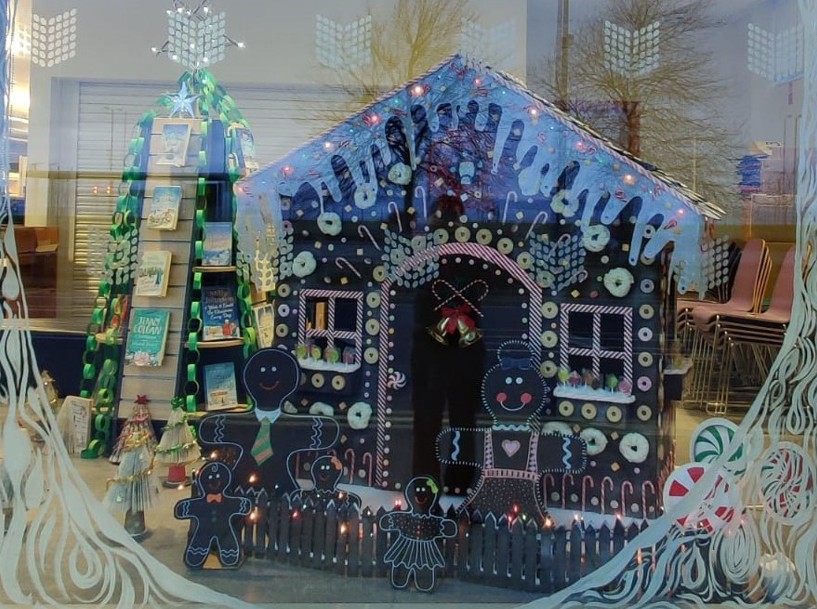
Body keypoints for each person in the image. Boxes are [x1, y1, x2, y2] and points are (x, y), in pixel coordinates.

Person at [411, 194, 485, 495]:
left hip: (460, 355)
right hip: (432, 354)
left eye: (451, 217)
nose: (446, 223)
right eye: (442, 216)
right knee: (431, 417)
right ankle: (429, 480)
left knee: (461, 418)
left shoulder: (470, 257)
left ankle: (456, 480)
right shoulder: (428, 255)